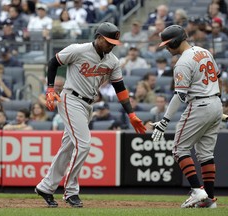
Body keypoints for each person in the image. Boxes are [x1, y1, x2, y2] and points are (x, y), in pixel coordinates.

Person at [35, 22, 146, 208]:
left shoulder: (113, 61)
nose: (111, 45)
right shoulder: (79, 50)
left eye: (114, 43)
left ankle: (46, 187)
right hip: (70, 99)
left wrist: (131, 114)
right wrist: (50, 88)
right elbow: (53, 62)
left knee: (68, 148)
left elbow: (120, 89)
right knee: (84, 145)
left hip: (88, 105)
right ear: (99, 37)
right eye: (108, 41)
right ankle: (71, 191)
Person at [151, 25, 223, 208]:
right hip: (215, 102)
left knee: (178, 149)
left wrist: (164, 120)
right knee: (205, 154)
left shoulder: (182, 62)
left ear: (175, 41)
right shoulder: (204, 51)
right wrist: (217, 103)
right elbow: (218, 77)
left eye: (168, 44)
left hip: (199, 104)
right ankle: (210, 201)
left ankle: (198, 191)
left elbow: (180, 95)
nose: (166, 48)